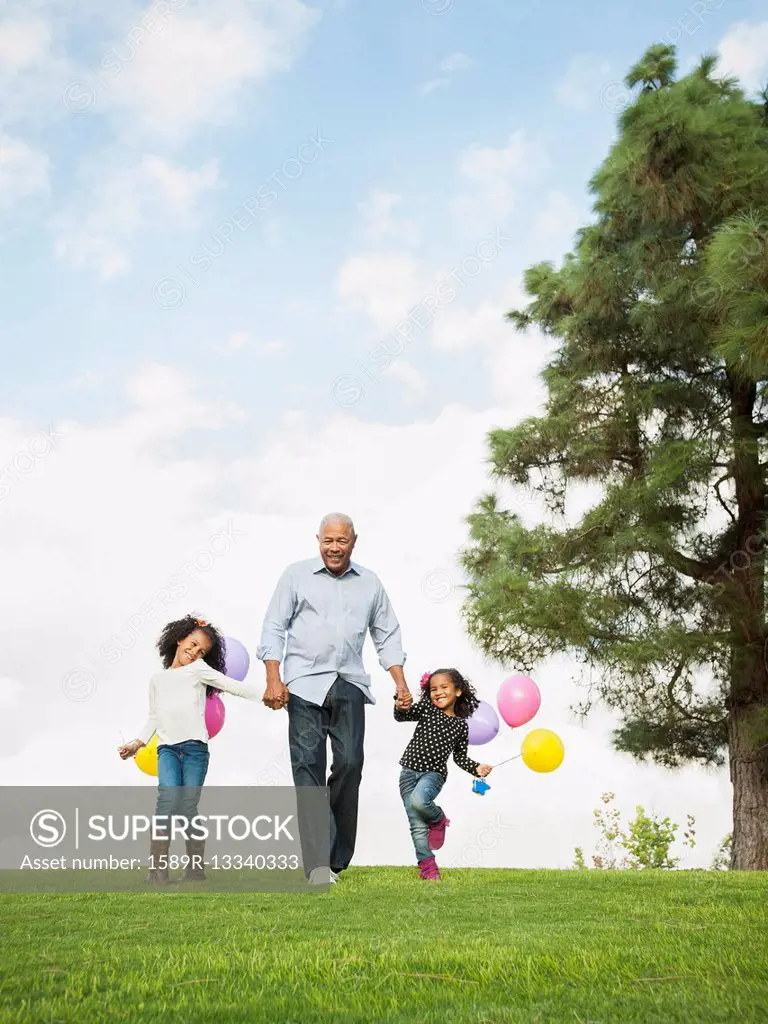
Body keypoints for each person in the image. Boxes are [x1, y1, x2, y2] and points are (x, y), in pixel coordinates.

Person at [258, 513, 412, 885]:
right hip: (303, 684)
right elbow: (274, 627)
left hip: (348, 682)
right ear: (318, 540)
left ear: (353, 542)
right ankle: (317, 865)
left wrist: (401, 683)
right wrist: (273, 679)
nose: (334, 548)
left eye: (341, 541)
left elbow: (386, 634)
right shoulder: (296, 575)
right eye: (328, 541)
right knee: (307, 767)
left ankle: (337, 858)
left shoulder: (370, 582)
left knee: (351, 764)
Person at [118, 614, 261, 884]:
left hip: (195, 750)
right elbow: (154, 717)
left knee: (187, 807)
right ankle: (157, 873)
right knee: (167, 802)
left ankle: (195, 869)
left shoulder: (198, 670)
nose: (194, 652)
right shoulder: (157, 680)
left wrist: (267, 696)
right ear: (180, 638)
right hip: (167, 750)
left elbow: (231, 686)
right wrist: (136, 744)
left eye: (201, 651)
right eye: (192, 644)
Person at [395, 668, 493, 880]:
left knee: (419, 802)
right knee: (416, 824)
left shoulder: (460, 726)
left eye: (443, 687)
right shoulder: (427, 709)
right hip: (408, 772)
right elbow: (402, 716)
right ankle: (428, 867)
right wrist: (399, 705)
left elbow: (459, 757)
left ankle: (439, 819)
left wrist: (476, 767)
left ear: (458, 691)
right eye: (433, 689)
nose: (437, 692)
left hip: (433, 773)